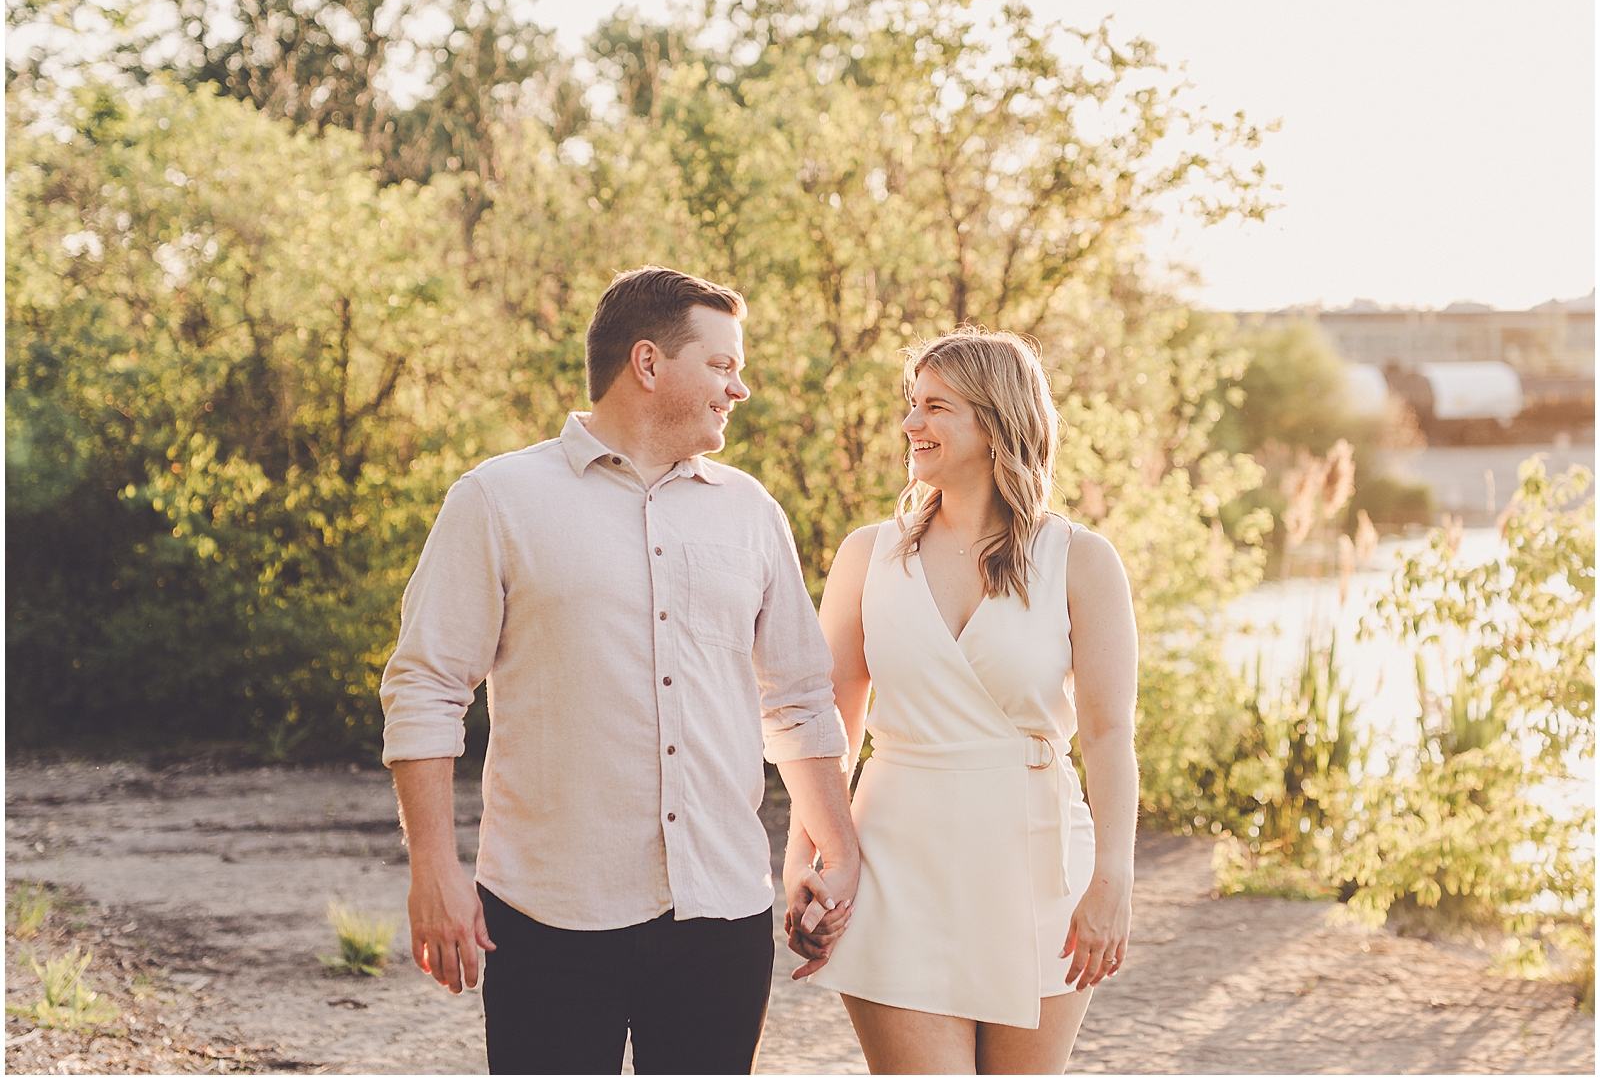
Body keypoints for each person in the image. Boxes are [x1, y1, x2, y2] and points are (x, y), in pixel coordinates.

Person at [380, 266, 859, 1076]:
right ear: (647, 363)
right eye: (722, 365)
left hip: (721, 915)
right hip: (547, 916)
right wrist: (433, 868)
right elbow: (425, 689)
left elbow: (801, 698)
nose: (739, 388)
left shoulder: (751, 513)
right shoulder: (497, 499)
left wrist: (836, 851)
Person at [791, 327, 1139, 1076]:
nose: (911, 423)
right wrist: (803, 860)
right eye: (912, 404)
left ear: (996, 421)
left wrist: (1113, 875)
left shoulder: (1080, 558)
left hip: (1040, 865)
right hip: (895, 863)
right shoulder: (865, 556)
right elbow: (823, 728)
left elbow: (1111, 733)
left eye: (935, 406)